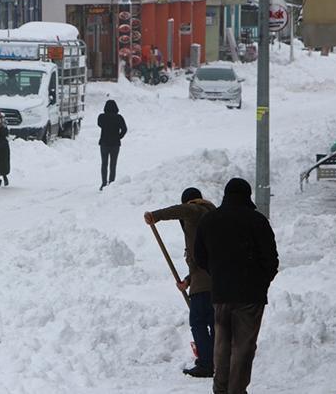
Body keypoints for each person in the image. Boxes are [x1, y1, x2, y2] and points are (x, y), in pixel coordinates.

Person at [194, 178, 279, 394]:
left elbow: (199, 257)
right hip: (250, 296)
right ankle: (236, 391)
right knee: (244, 347)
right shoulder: (257, 220)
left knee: (221, 346)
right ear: (247, 195)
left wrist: (217, 275)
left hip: (221, 293)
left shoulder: (209, 220)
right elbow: (271, 259)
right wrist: (260, 282)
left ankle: (220, 389)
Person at [144, 188, 217, 378]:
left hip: (204, 287)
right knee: (214, 322)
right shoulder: (212, 215)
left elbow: (182, 210)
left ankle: (207, 364)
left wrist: (156, 216)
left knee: (199, 322)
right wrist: (188, 280)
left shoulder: (195, 210)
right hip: (217, 281)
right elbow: (205, 258)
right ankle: (219, 361)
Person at [97, 99, 127, 191]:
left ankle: (103, 183)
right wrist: (119, 136)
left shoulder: (101, 117)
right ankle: (111, 182)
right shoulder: (119, 118)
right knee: (113, 164)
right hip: (115, 144)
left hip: (104, 143)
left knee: (104, 164)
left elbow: (99, 124)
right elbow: (124, 129)